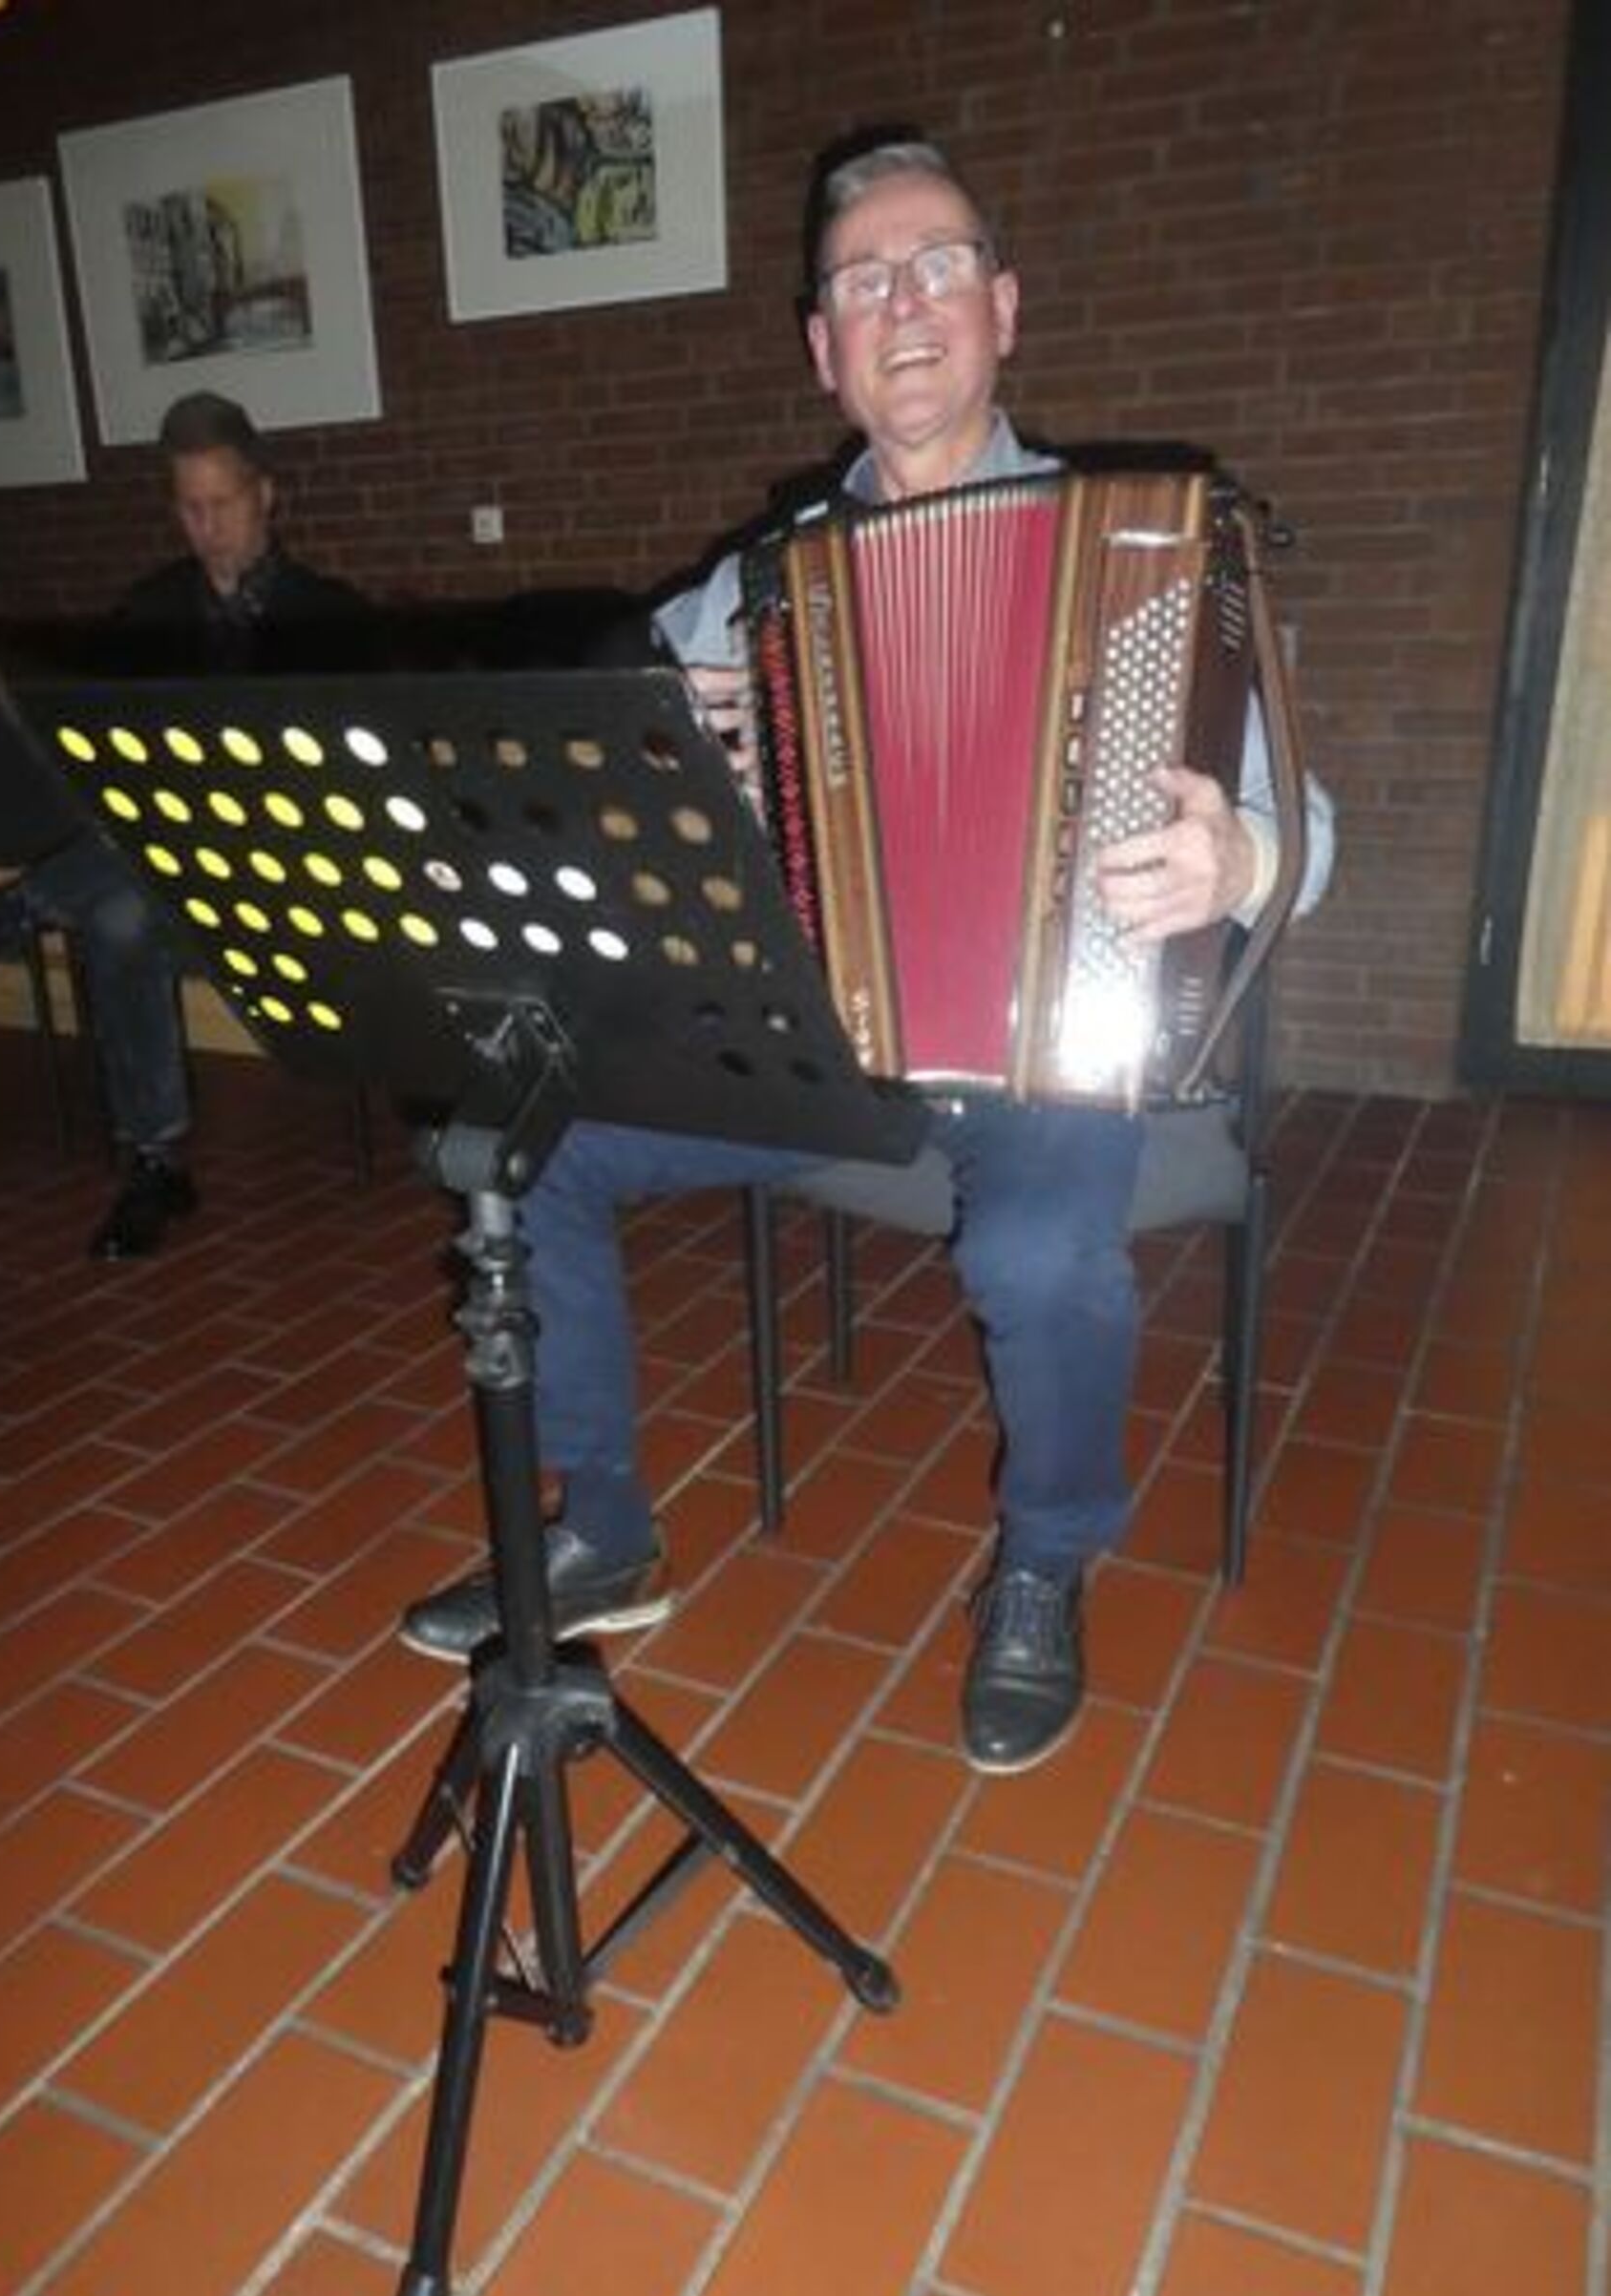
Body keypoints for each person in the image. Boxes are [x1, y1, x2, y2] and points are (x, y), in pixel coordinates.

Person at [397, 135, 1335, 1776]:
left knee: (1038, 1263)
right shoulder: (748, 597)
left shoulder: (1151, 546)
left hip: (1051, 1041)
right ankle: (604, 1530)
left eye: (939, 264)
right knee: (518, 1132)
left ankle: (1042, 1559)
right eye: (861, 281)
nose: (903, 302)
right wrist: (669, 779)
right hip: (820, 1042)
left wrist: (1241, 854)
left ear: (1004, 308)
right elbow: (613, 825)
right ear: (823, 348)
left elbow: (1312, 819)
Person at [0, 390, 371, 1260]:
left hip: (293, 887)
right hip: (168, 880)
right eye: (189, 506)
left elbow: (355, 789)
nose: (207, 525)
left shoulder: (331, 617)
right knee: (117, 909)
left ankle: (5, 915)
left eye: (223, 502)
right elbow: (100, 763)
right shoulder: (148, 612)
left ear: (268, 496)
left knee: (173, 837)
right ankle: (154, 1164)